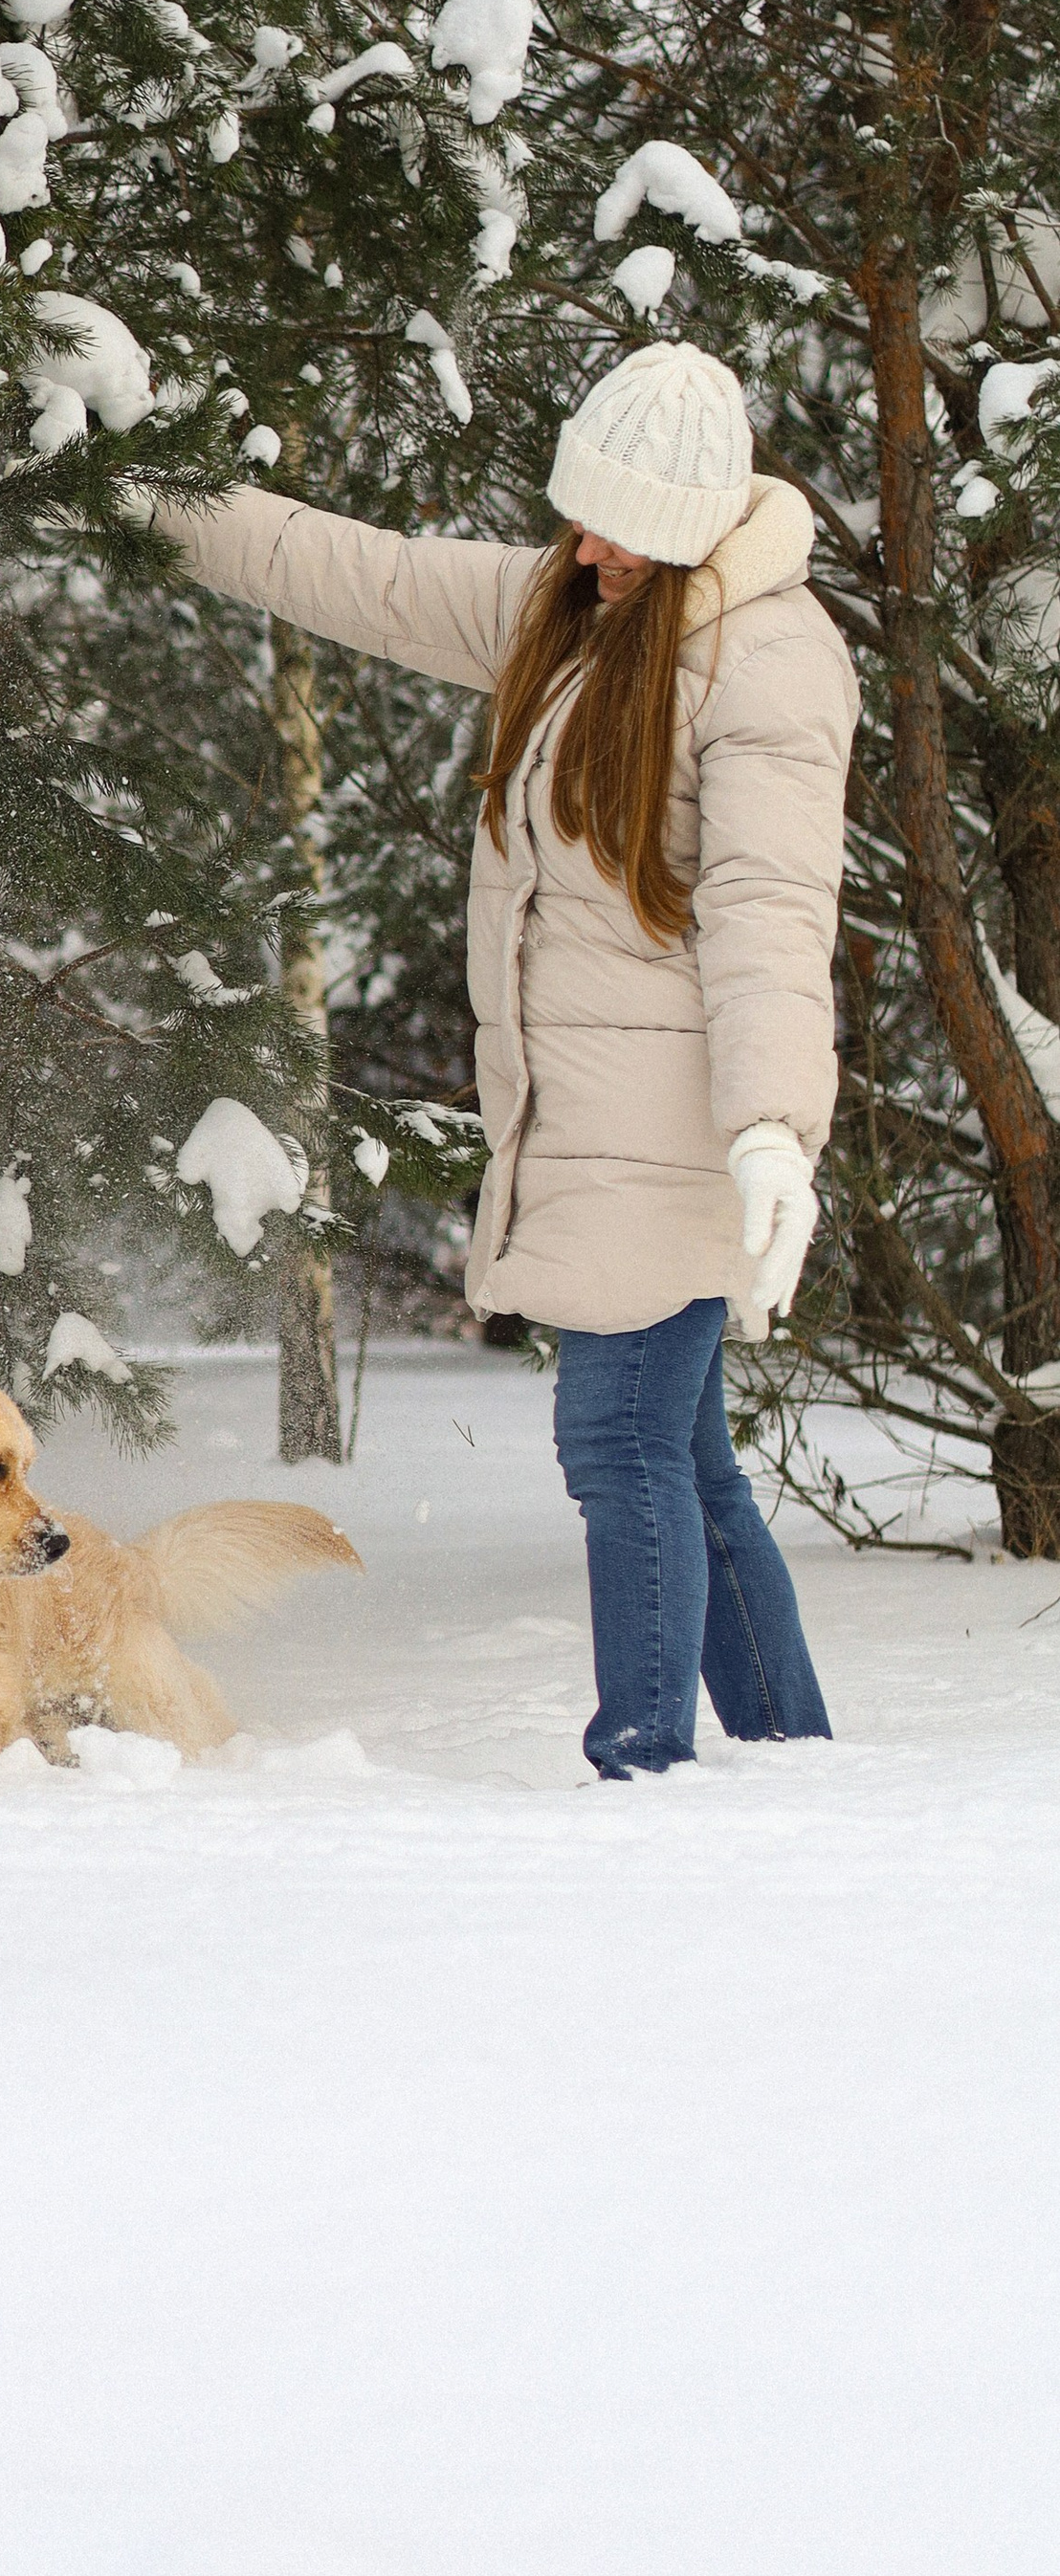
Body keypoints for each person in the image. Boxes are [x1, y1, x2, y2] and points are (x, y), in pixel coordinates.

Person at [148, 343, 859, 1778]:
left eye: (616, 527)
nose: (583, 544)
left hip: (676, 1118)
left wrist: (773, 1127)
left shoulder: (771, 663)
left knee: (617, 1444)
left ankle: (641, 1764)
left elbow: (770, 916)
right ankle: (787, 1752)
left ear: (693, 522)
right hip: (581, 1113)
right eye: (576, 512)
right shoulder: (571, 610)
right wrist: (154, 495)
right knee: (684, 1455)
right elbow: (361, 572)